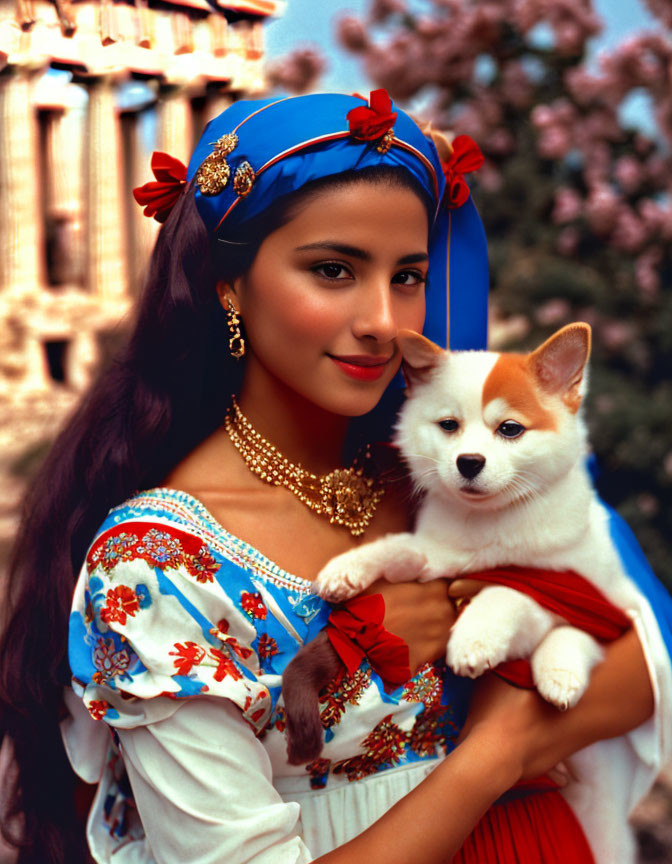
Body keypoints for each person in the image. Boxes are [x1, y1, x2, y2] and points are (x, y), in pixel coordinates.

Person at [0, 90, 669, 864]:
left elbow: (645, 648)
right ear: (229, 286)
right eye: (333, 270)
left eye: (409, 275)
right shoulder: (155, 566)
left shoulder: (443, 474)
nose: (385, 320)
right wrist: (496, 756)